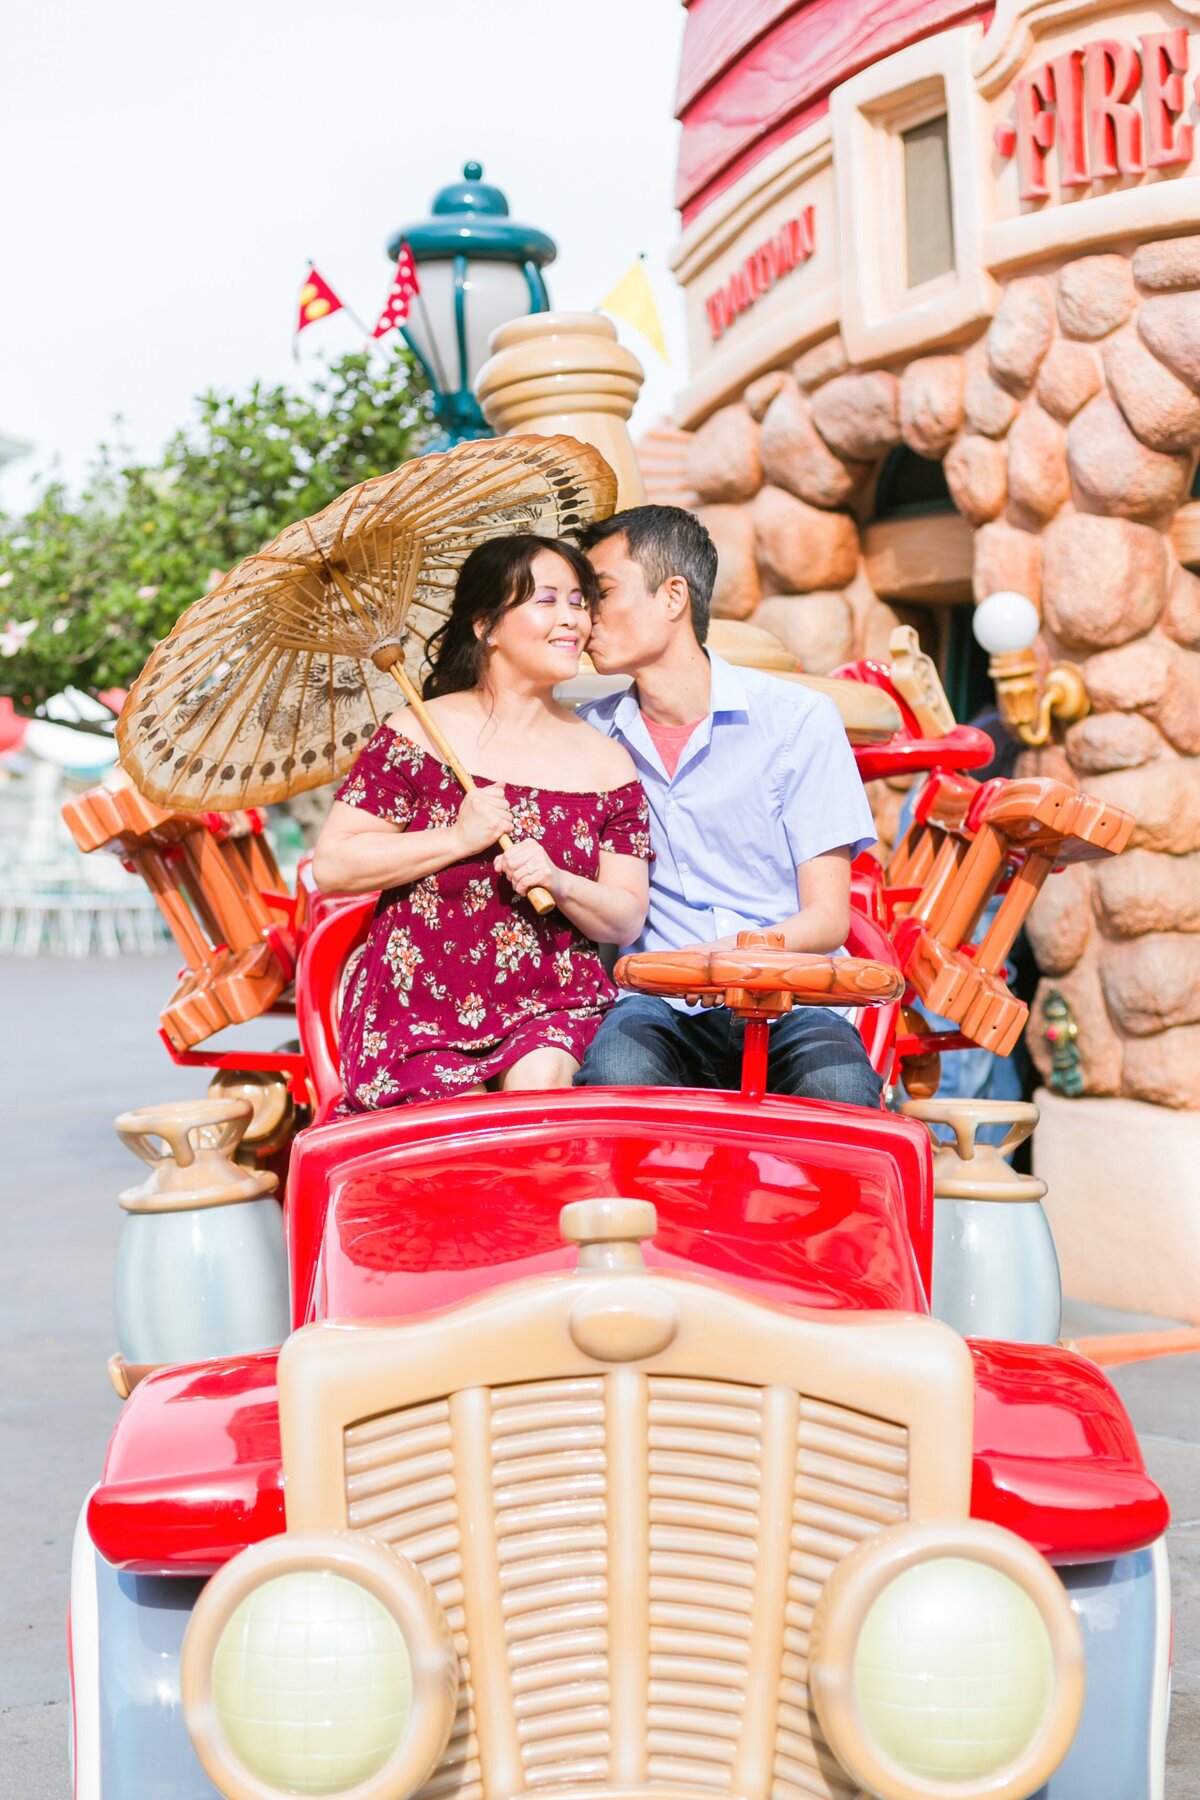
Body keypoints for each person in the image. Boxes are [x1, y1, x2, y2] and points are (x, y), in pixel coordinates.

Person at [312, 534, 652, 1111]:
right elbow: (334, 864)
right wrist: (457, 837)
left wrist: (562, 882)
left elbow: (624, 919)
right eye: (546, 601)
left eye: (578, 600)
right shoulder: (417, 732)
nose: (572, 619)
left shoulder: (608, 762)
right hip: (416, 1007)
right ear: (486, 626)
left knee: (541, 1089)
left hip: (552, 1004)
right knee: (457, 1123)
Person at [575, 505, 882, 1106]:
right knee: (617, 1077)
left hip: (789, 994)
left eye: (602, 593)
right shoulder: (588, 737)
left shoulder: (798, 721)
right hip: (655, 1002)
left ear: (672, 597)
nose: (585, 619)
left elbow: (828, 919)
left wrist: (721, 959)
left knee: (840, 1089)